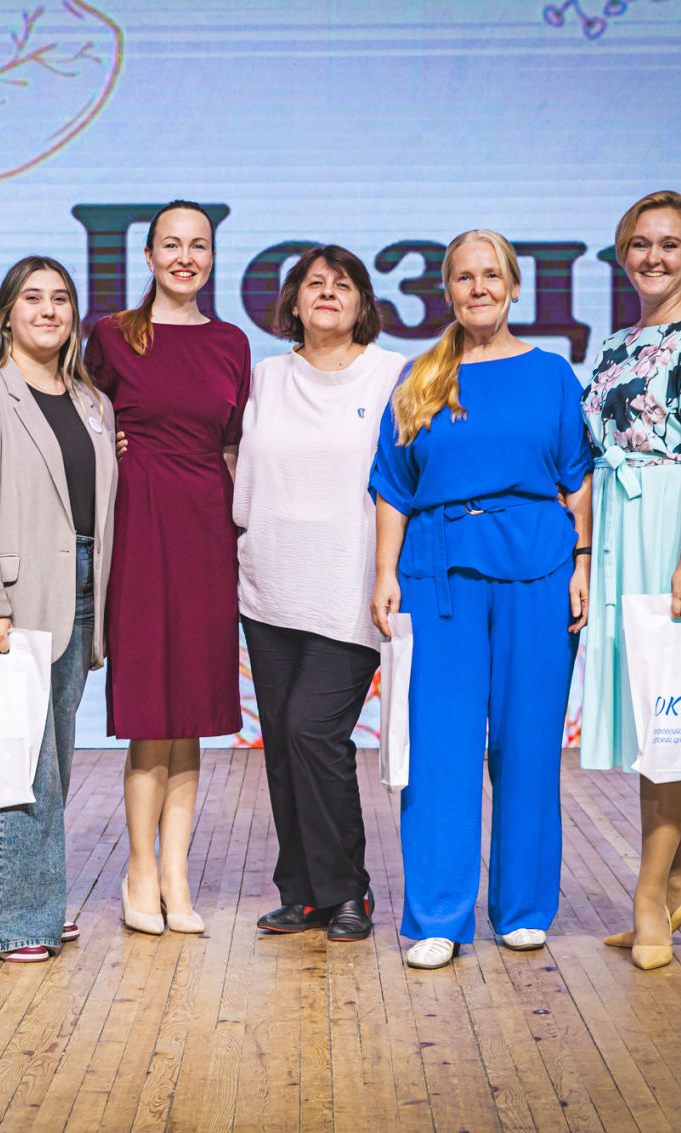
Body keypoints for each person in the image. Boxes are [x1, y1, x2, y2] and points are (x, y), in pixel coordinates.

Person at [368, 229, 593, 970]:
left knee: (528, 740)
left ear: (514, 286)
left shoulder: (551, 374)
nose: (479, 288)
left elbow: (576, 478)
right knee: (441, 745)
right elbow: (392, 486)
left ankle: (523, 908)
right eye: (464, 277)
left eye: (491, 275)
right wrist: (384, 573)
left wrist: (583, 562)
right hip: (438, 572)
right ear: (448, 290)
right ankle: (438, 916)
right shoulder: (420, 376)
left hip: (540, 567)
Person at [580, 190, 681, 971]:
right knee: (671, 721)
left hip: (675, 532)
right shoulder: (615, 345)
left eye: (669, 244)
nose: (653, 256)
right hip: (621, 532)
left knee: (673, 724)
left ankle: (649, 896)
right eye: (640, 244)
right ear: (623, 255)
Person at [0, 257, 118, 962]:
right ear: (7, 314)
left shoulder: (92, 402)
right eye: (33, 298)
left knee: (52, 760)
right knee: (18, 761)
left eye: (61, 298)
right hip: (11, 598)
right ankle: (15, 923)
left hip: (78, 589)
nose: (49, 309)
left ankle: (12, 899)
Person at [85, 200, 251, 936]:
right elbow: (80, 417)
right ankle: (139, 871)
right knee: (152, 712)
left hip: (207, 532)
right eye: (172, 245)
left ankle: (177, 873)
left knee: (192, 716)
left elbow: (233, 447)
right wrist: (110, 446)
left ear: (212, 257)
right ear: (148, 256)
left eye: (199, 245)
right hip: (141, 527)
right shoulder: (111, 335)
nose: (186, 257)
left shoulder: (232, 342)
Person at [233, 246, 404, 942]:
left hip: (349, 585)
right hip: (268, 584)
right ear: (294, 302)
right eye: (314, 284)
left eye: (342, 284)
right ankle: (302, 892)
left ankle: (346, 889)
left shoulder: (393, 374)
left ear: (362, 303)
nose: (328, 293)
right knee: (282, 742)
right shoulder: (265, 377)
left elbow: (404, 477)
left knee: (313, 730)